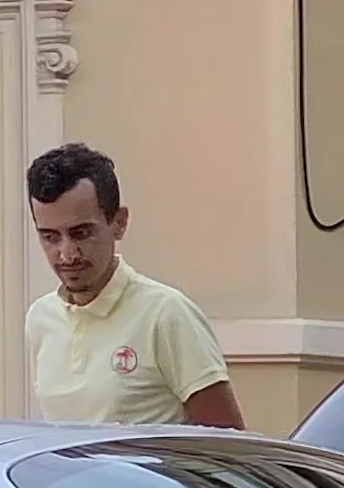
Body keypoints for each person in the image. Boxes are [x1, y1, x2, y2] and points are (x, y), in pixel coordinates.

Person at [20, 145, 241, 430]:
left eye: (81, 233)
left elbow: (228, 443)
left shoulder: (166, 313)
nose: (67, 254)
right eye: (50, 237)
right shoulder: (41, 318)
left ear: (119, 223)